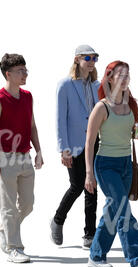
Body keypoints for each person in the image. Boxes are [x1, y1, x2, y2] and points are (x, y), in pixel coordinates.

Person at [84, 60, 138, 267]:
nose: (125, 79)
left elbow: (131, 134)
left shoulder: (130, 105)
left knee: (112, 212)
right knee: (124, 211)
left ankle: (96, 256)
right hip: (105, 165)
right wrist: (89, 173)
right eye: (120, 75)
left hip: (126, 164)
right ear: (110, 78)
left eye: (127, 75)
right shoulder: (101, 107)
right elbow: (89, 142)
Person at [0, 53, 44, 263]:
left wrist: (38, 151)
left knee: (28, 204)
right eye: (20, 71)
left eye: (25, 70)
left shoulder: (28, 96)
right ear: (8, 74)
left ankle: (4, 228)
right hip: (5, 157)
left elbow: (32, 126)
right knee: (8, 206)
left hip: (25, 156)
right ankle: (14, 248)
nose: (25, 74)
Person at [52, 45, 101, 248]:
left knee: (92, 188)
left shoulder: (97, 85)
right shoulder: (65, 85)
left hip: (96, 143)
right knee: (77, 185)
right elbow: (60, 119)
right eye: (87, 58)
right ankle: (57, 220)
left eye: (95, 58)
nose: (91, 62)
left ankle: (89, 235)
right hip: (74, 144)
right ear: (77, 59)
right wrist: (64, 148)